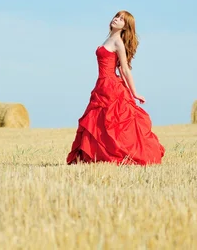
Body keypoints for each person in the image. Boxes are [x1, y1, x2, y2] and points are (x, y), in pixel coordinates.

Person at [66, 10, 165, 165]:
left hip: (111, 86)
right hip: (101, 85)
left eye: (121, 19)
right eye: (116, 16)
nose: (116, 19)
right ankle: (96, 155)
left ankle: (118, 154)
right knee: (98, 122)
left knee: (113, 122)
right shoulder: (109, 39)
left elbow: (124, 69)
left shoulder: (118, 42)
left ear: (125, 27)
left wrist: (135, 93)